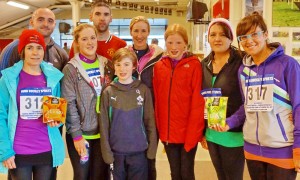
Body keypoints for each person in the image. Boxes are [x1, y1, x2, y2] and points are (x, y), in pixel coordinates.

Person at [213, 12, 300, 179]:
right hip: (252, 148)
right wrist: (228, 123)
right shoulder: (244, 70)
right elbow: (246, 106)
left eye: (254, 34)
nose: (249, 40)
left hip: (282, 148)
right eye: (243, 36)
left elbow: (298, 106)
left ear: (266, 34)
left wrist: (298, 145)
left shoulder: (288, 65)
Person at [0, 29, 65, 179]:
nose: (35, 52)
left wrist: (56, 121)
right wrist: (5, 151)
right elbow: (0, 116)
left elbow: (57, 111)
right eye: (30, 48)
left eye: (39, 48)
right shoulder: (8, 79)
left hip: (46, 148)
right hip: (19, 150)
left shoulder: (53, 78)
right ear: (22, 51)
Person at [153, 24, 205, 180]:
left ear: (185, 44)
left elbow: (198, 102)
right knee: (175, 173)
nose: (174, 47)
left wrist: (193, 134)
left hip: (187, 133)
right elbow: (157, 100)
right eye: (170, 42)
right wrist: (161, 131)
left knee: (187, 173)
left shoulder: (195, 65)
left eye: (178, 42)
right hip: (168, 133)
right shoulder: (159, 67)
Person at [61, 23, 112, 180]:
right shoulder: (70, 69)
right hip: (81, 134)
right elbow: (69, 104)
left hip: (103, 134)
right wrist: (76, 136)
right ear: (76, 42)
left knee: (99, 176)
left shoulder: (107, 64)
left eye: (92, 38)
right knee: (82, 176)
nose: (90, 42)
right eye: (84, 39)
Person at [100, 48, 157, 180]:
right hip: (116, 153)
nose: (122, 69)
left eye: (126, 64)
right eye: (118, 65)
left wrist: (152, 149)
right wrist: (107, 152)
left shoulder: (143, 90)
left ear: (133, 67)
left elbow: (150, 122)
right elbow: (104, 125)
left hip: (139, 152)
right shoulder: (108, 92)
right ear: (114, 67)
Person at [200, 18, 245, 180]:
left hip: (233, 134)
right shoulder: (204, 64)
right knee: (221, 176)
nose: (217, 39)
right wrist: (202, 131)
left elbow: (247, 101)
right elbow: (201, 99)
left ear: (231, 37)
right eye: (213, 35)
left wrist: (231, 122)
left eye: (222, 35)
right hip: (212, 134)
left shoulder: (242, 62)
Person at [0, 8, 69, 77]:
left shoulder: (61, 53)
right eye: (40, 20)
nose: (46, 24)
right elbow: (3, 78)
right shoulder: (13, 48)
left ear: (54, 24)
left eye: (50, 21)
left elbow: (65, 83)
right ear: (32, 22)